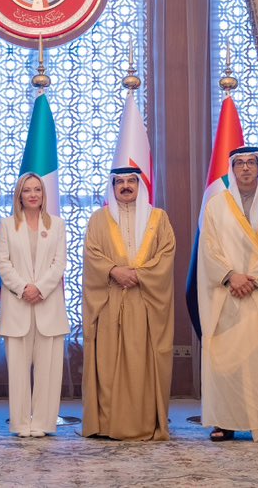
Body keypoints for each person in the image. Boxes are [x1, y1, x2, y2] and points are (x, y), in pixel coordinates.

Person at [198, 146, 258, 443]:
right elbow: (209, 248)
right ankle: (225, 422)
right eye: (239, 163)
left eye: (251, 163)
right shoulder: (216, 206)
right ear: (232, 169)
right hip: (227, 293)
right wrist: (232, 277)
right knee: (227, 358)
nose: (245, 168)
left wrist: (252, 280)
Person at [81, 166, 175, 441]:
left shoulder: (159, 218)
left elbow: (167, 253)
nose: (125, 186)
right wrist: (113, 270)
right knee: (108, 364)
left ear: (140, 185)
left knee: (142, 364)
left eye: (131, 181)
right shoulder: (99, 219)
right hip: (110, 299)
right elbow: (92, 254)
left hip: (145, 302)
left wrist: (140, 275)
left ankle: (144, 422)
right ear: (113, 187)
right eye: (119, 182)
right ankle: (108, 423)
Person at [0, 172, 69, 438]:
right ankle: (20, 424)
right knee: (17, 372)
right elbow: (2, 263)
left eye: (37, 189)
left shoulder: (57, 225)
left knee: (48, 372)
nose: (33, 194)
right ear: (19, 195)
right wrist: (23, 288)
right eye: (27, 190)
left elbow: (59, 263)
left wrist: (40, 288)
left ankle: (43, 423)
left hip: (49, 306)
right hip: (17, 307)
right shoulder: (6, 225)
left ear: (43, 194)